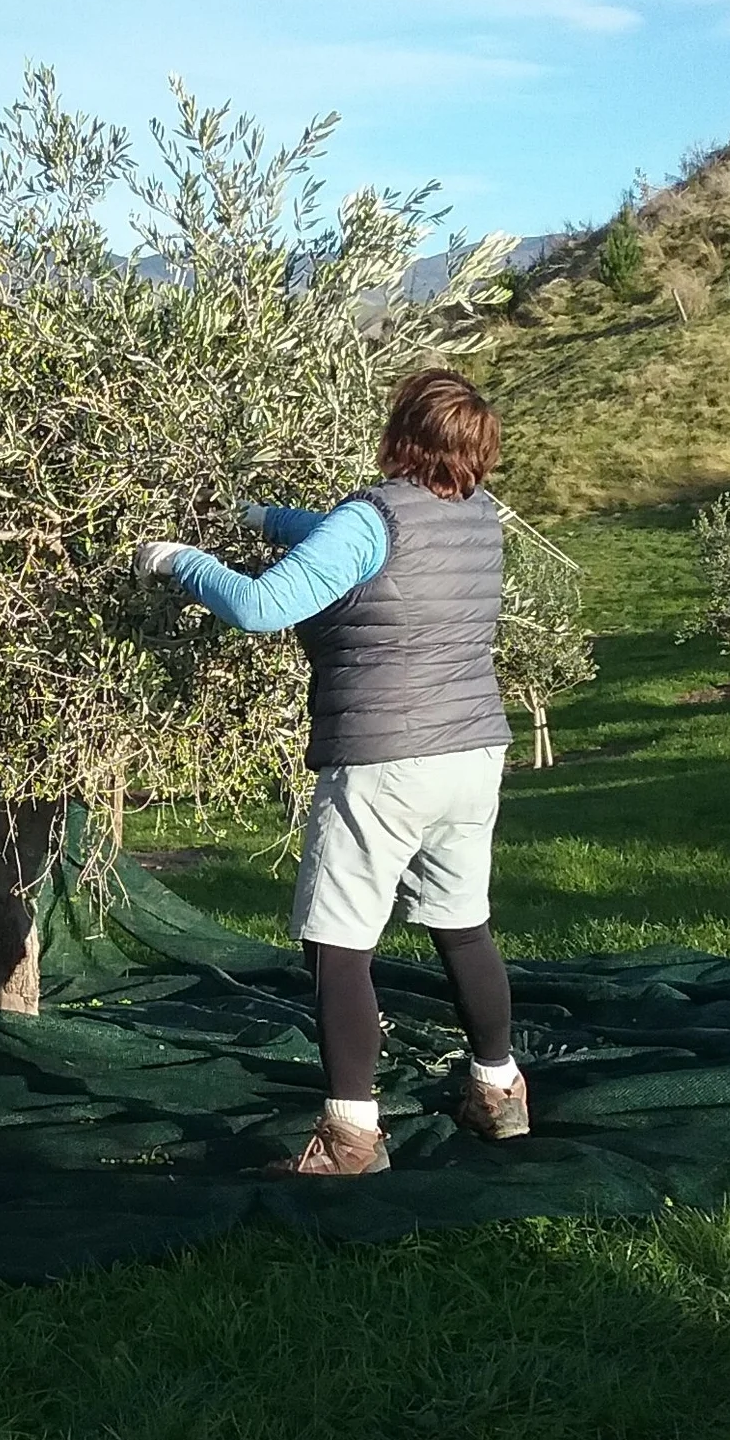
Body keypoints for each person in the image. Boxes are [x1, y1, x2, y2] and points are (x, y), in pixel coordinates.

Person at [134, 369, 526, 1175]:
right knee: (461, 924)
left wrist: (180, 561)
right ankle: (498, 1091)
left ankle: (350, 1137)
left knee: (337, 943)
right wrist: (267, 519)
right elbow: (368, 552)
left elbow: (260, 607)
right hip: (473, 750)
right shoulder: (477, 516)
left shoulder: (371, 517)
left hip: (385, 759)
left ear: (400, 435)